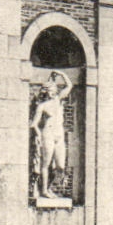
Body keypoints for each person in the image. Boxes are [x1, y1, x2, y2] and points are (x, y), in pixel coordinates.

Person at [31, 70, 72, 199]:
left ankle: (48, 187)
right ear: (46, 92)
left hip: (59, 135)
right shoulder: (42, 106)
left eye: (53, 89)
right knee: (46, 163)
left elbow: (69, 86)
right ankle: (44, 190)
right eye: (49, 90)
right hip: (47, 134)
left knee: (60, 166)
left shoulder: (59, 101)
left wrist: (61, 74)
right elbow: (34, 124)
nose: (52, 92)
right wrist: (38, 135)